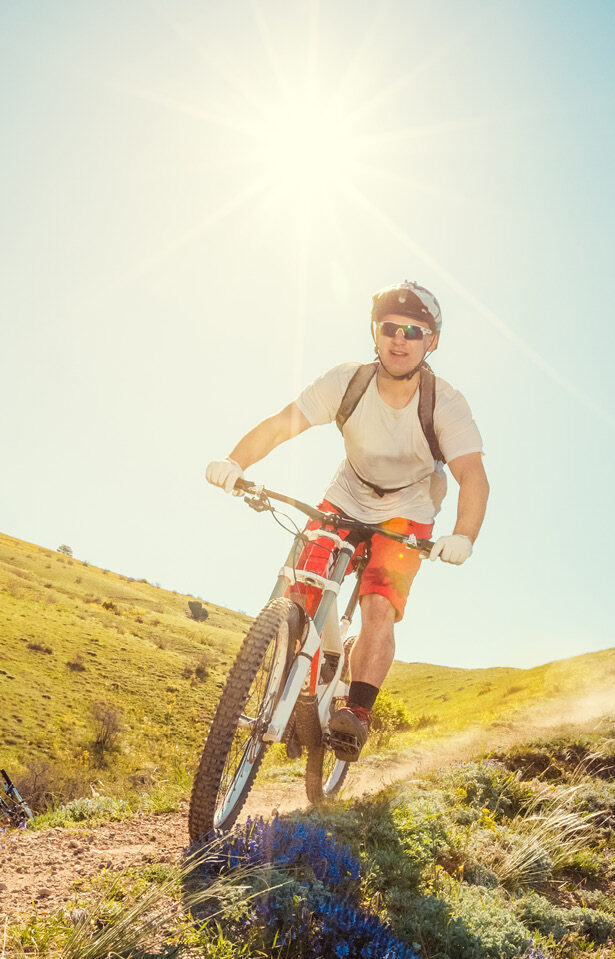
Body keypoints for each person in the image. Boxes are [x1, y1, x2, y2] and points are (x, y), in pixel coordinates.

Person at [205, 280, 489, 761]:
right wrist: (235, 463)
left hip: (408, 513)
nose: (399, 339)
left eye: (413, 331)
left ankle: (355, 712)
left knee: (379, 605)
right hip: (346, 495)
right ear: (375, 333)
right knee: (302, 585)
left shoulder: (446, 402)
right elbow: (282, 423)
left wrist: (463, 535)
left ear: (431, 341)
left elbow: (473, 477)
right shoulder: (347, 381)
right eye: (389, 328)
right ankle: (299, 691)